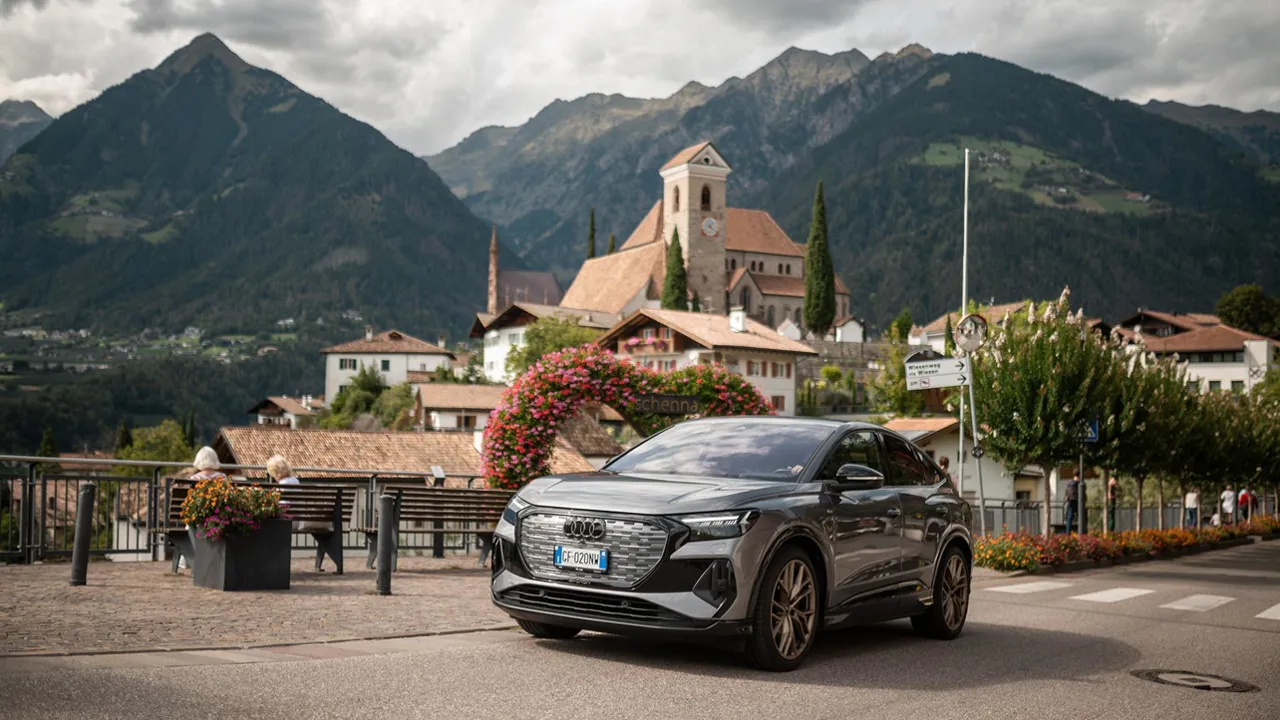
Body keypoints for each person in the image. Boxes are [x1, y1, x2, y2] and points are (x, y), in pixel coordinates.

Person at [267, 455, 333, 569]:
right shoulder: (295, 481)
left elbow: (282, 506)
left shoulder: (283, 485)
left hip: (286, 522)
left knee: (264, 525)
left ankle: (271, 561)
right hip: (295, 521)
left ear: (277, 473)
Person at [180, 447, 228, 569]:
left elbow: (191, 501)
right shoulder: (222, 477)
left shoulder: (195, 479)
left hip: (199, 518)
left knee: (190, 523)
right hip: (218, 516)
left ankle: (187, 559)